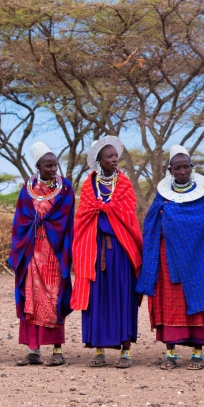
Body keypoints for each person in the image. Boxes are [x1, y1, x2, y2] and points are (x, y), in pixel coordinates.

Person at [137, 145, 204, 370]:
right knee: (169, 303)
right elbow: (151, 222)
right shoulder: (162, 197)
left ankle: (197, 354)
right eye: (177, 168)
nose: (182, 172)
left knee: (198, 301)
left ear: (192, 168)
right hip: (167, 258)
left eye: (186, 168)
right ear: (169, 170)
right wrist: (166, 217)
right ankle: (170, 353)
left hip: (198, 259)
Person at [70, 136, 143, 368]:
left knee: (123, 296)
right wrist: (101, 211)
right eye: (109, 156)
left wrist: (107, 210)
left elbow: (129, 212)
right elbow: (82, 216)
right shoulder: (88, 184)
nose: (114, 159)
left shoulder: (124, 184)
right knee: (97, 299)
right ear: (98, 160)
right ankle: (99, 350)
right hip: (94, 249)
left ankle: (125, 351)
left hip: (120, 250)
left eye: (115, 156)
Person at [9, 142, 75, 367]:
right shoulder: (27, 188)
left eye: (55, 165)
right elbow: (20, 219)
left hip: (55, 252)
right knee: (32, 298)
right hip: (30, 250)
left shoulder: (65, 188)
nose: (53, 169)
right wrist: (31, 228)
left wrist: (46, 224)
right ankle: (33, 350)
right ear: (38, 166)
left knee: (54, 296)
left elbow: (66, 219)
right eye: (48, 165)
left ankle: (57, 350)